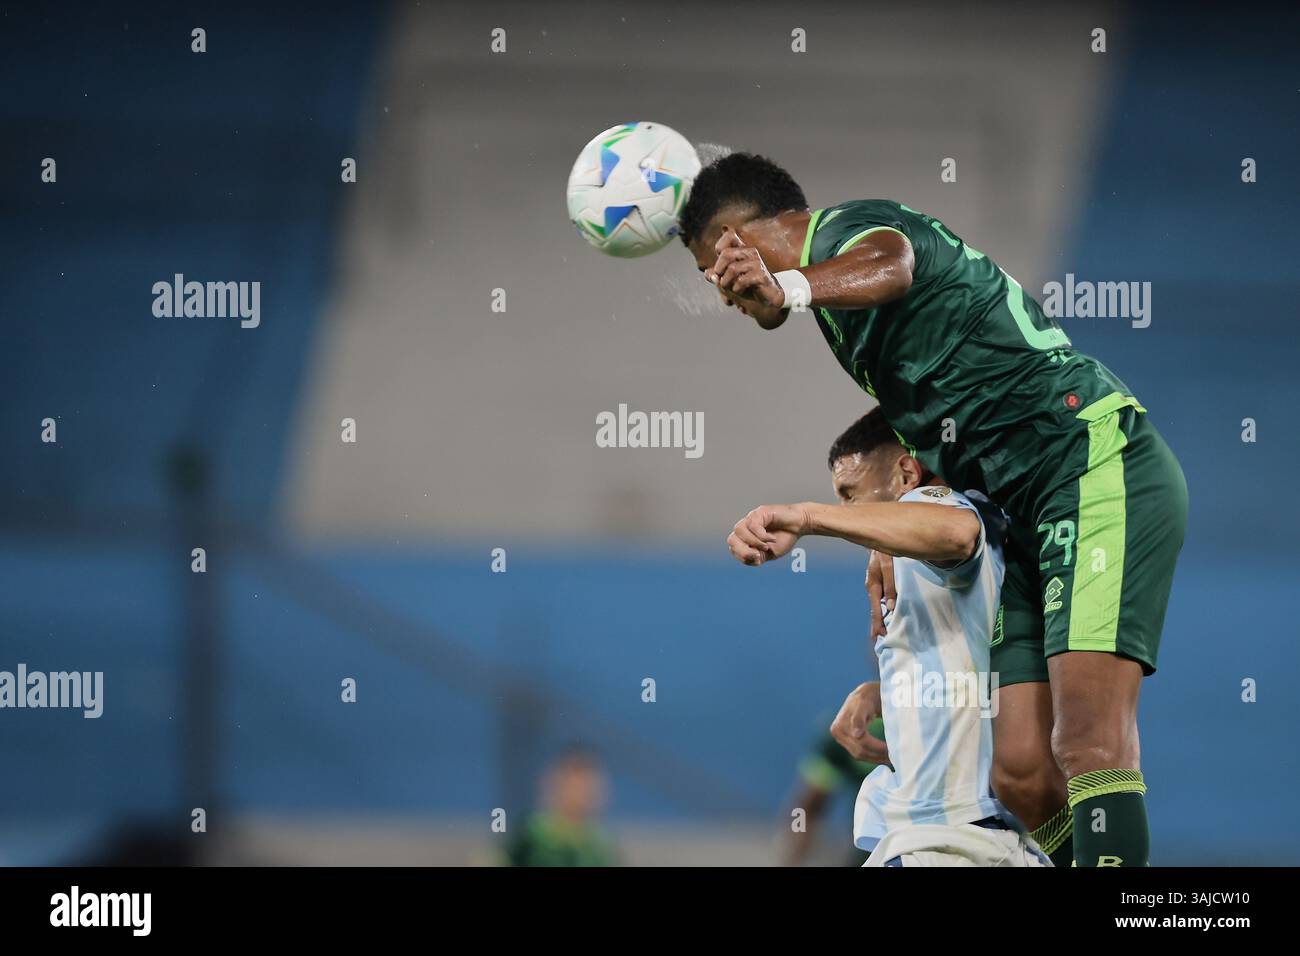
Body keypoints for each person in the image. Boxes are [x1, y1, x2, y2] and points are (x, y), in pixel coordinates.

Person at [686, 153, 1187, 866]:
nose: (719, 289)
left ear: (739, 235)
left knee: (1087, 742)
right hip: (1027, 512)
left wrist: (788, 286)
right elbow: (926, 428)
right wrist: (886, 533)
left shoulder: (853, 232)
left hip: (1091, 461)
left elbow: (893, 265)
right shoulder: (847, 331)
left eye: (714, 265)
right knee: (1018, 772)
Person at [727, 408, 1047, 866]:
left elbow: (957, 532)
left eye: (849, 494)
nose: (845, 513)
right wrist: (882, 693)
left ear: (905, 474)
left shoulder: (943, 507)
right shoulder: (910, 560)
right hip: (956, 839)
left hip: (949, 842)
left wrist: (806, 517)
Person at [502, 747, 619, 867]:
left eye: (587, 783)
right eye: (574, 782)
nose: (580, 791)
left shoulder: (602, 848)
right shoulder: (530, 839)